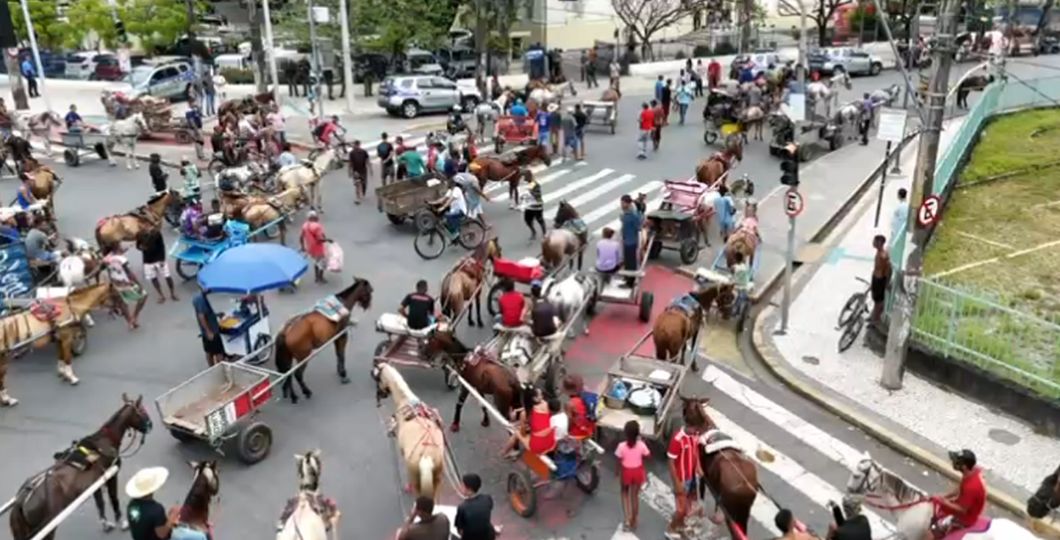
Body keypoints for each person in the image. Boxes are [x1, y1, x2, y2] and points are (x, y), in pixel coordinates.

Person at [931, 449, 987, 537]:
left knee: (936, 528)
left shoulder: (972, 487)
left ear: (964, 467)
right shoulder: (971, 472)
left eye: (957, 462)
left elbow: (962, 510)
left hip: (965, 518)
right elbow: (961, 488)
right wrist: (944, 496)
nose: (954, 463)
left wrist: (942, 501)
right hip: (962, 504)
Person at [126, 467, 181, 540]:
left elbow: (143, 521)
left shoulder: (131, 504)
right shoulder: (157, 510)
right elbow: (162, 534)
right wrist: (171, 518)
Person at [666, 423, 700, 539]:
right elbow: (671, 462)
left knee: (687, 507)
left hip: (691, 477)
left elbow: (695, 452)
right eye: (694, 426)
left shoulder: (695, 435)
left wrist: (698, 467)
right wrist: (677, 484)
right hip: (681, 479)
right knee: (681, 509)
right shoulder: (678, 439)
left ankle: (680, 525)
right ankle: (670, 529)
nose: (696, 429)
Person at [616, 420, 651, 532]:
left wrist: (617, 471)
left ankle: (626, 518)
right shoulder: (641, 445)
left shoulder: (621, 446)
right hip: (637, 471)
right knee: (634, 496)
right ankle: (634, 520)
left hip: (626, 471)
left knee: (624, 492)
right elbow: (648, 455)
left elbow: (619, 460)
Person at [502, 387, 555, 458]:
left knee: (516, 434)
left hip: (538, 442)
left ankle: (504, 452)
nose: (542, 397)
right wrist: (517, 410)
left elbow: (523, 433)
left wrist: (517, 427)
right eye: (541, 395)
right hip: (549, 435)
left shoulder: (524, 414)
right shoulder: (545, 404)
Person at [104, 244, 147, 330]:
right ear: (116, 247)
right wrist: (138, 284)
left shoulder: (107, 258)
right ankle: (134, 317)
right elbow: (129, 273)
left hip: (115, 283)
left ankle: (129, 321)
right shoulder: (122, 259)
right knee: (144, 296)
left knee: (122, 303)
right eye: (119, 245)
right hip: (125, 283)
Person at [137, 229, 178, 304]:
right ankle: (161, 295)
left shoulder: (156, 233)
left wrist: (162, 259)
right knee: (153, 278)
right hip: (148, 260)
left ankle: (172, 293)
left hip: (159, 259)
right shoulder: (140, 234)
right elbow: (138, 246)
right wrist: (142, 248)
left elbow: (162, 246)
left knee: (167, 276)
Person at [455, 474, 497, 540]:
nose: (460, 487)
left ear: (468, 489)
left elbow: (460, 530)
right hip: (488, 536)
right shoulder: (487, 498)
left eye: (462, 485)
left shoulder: (462, 507)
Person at [620, 195, 643, 287]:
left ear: (628, 203)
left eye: (623, 203)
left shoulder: (633, 215)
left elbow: (638, 227)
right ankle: (627, 277)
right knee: (626, 261)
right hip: (626, 240)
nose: (621, 205)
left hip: (631, 241)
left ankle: (630, 281)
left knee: (631, 262)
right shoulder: (626, 213)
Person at [300, 211, 329, 284]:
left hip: (311, 248)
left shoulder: (305, 225)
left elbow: (301, 237)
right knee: (322, 263)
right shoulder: (317, 226)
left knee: (316, 262)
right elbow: (320, 239)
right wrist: (328, 240)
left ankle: (316, 277)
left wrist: (303, 246)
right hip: (318, 248)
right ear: (314, 217)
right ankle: (320, 278)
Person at [870, 234, 890, 324]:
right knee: (875, 300)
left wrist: (886, 283)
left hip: (879, 280)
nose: (873, 243)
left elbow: (888, 269)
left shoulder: (883, 255)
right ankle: (874, 317)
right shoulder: (879, 253)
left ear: (880, 243)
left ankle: (876, 319)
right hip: (876, 278)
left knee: (878, 302)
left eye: (875, 241)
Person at [348, 139, 370, 205]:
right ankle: (358, 198)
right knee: (357, 184)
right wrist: (349, 171)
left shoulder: (363, 152)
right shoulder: (352, 153)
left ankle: (363, 193)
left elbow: (367, 160)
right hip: (356, 171)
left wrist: (370, 168)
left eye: (357, 145)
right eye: (355, 145)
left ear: (359, 145)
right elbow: (350, 162)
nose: (355, 146)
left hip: (363, 170)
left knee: (364, 184)